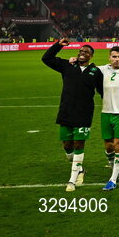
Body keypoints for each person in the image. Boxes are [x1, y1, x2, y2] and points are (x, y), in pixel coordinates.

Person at [42, 39, 102, 191]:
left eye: (86, 52)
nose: (82, 53)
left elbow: (103, 92)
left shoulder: (95, 72)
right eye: (81, 51)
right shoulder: (67, 66)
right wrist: (59, 45)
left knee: (79, 144)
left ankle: (72, 180)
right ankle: (80, 169)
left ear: (91, 56)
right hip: (66, 112)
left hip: (84, 114)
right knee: (68, 146)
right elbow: (46, 59)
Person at [99, 47, 119, 191]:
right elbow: (85, 68)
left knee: (118, 145)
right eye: (114, 56)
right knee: (108, 146)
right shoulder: (103, 69)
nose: (117, 59)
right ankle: (116, 170)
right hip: (106, 112)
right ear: (109, 58)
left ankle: (113, 179)